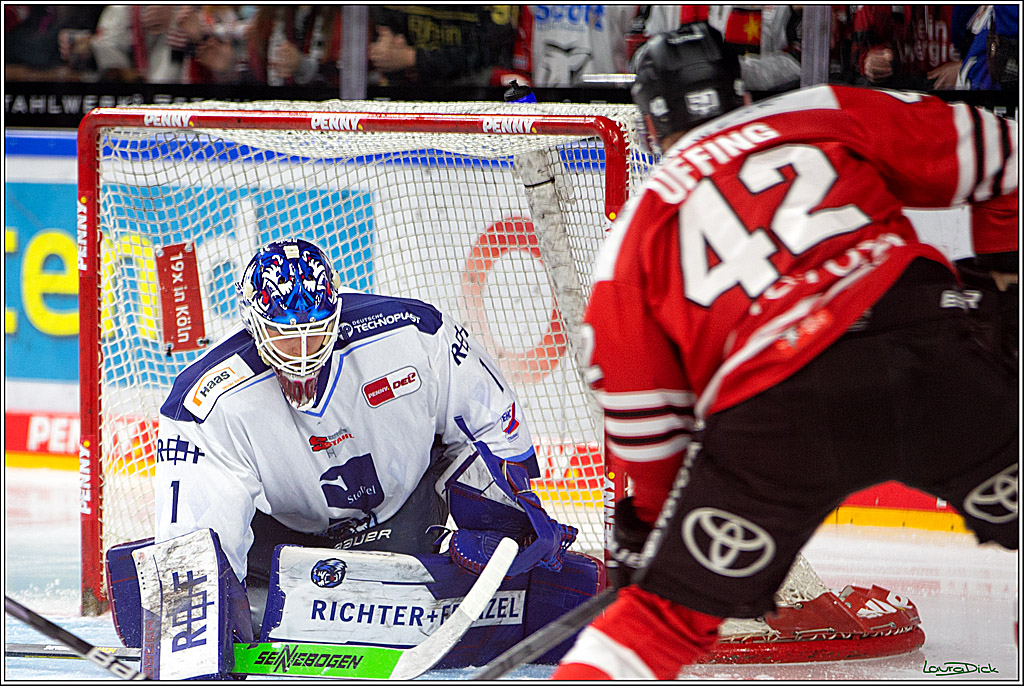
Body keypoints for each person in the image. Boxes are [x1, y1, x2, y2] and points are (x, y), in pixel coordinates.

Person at [551, 23, 1018, 679]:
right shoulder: (815, 112)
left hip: (775, 414)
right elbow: (1002, 155)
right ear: (739, 93)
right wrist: (1005, 276)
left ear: (651, 127)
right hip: (924, 353)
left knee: (655, 624)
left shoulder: (634, 235)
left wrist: (660, 533)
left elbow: (644, 415)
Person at [155, 238, 581, 636]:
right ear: (253, 325)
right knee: (205, 565)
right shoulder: (206, 402)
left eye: (316, 332)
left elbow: (490, 421)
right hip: (281, 542)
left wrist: (506, 517)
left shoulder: (416, 332)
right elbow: (198, 535)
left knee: (489, 504)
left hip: (400, 524)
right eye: (285, 337)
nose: (303, 353)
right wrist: (196, 614)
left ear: (336, 316)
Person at [368, 5, 517, 87]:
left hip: (474, 92)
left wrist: (415, 59)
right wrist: (385, 40)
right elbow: (387, 29)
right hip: (409, 87)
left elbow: (489, 51)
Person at [852, 5, 961, 90]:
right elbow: (863, 53)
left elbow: (976, 59)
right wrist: (873, 62)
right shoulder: (875, 8)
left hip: (954, 91)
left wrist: (964, 68)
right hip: (901, 93)